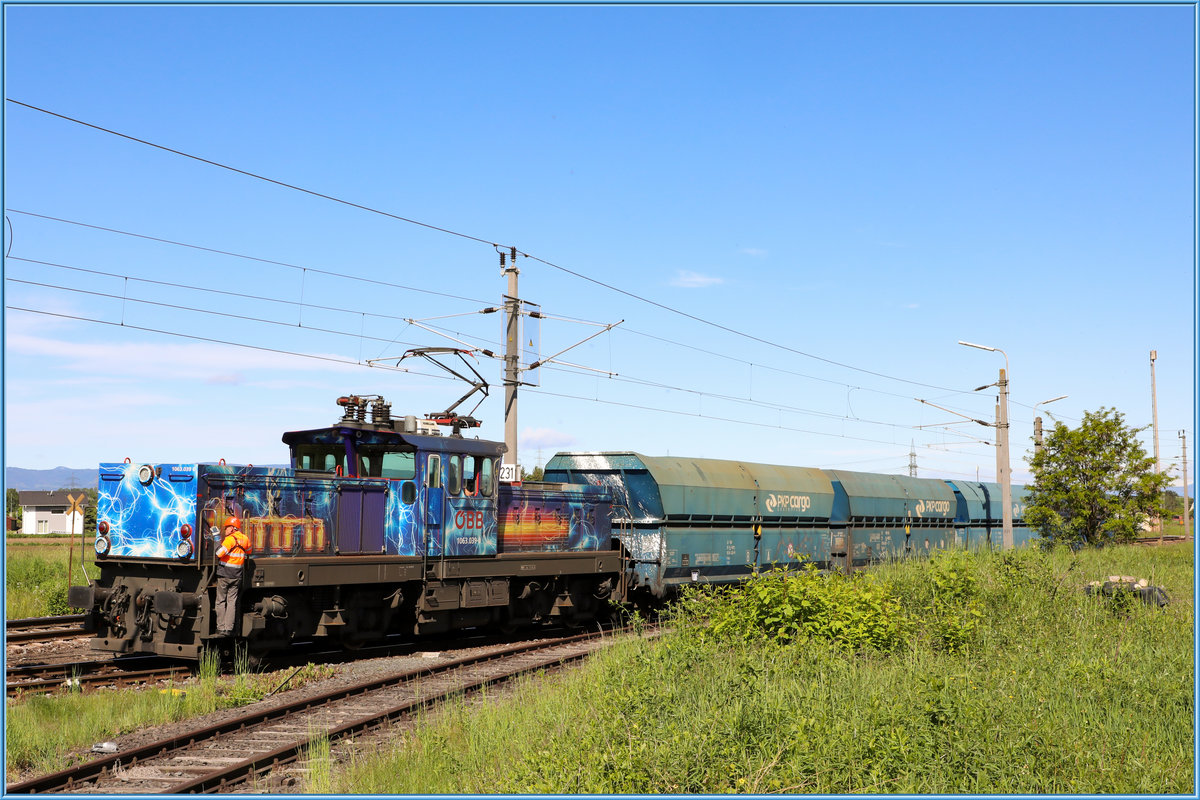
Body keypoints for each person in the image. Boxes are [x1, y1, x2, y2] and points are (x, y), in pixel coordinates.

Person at [213, 517, 252, 637]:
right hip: (237, 576)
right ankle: (228, 629)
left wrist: (216, 538)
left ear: (232, 528)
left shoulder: (229, 540)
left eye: (226, 527)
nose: (225, 530)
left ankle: (220, 628)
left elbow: (219, 553)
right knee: (231, 602)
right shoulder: (245, 539)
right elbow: (249, 551)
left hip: (225, 575)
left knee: (220, 601)